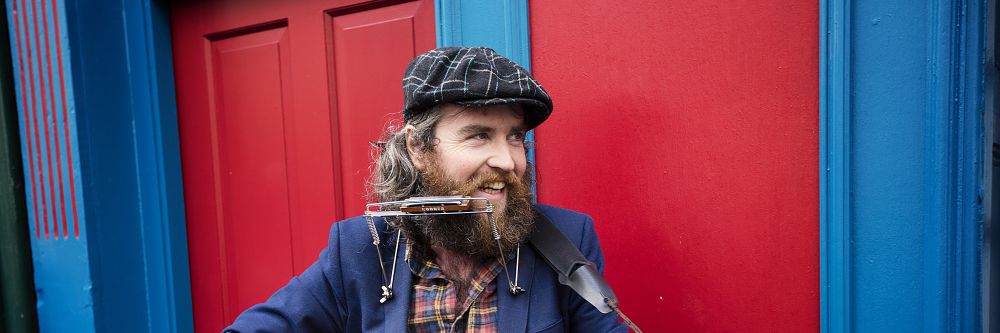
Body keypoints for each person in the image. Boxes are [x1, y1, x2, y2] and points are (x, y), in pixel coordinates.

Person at [225, 46, 626, 332]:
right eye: (479, 136)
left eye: (515, 137)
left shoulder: (567, 239)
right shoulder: (360, 249)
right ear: (418, 147)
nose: (507, 160)